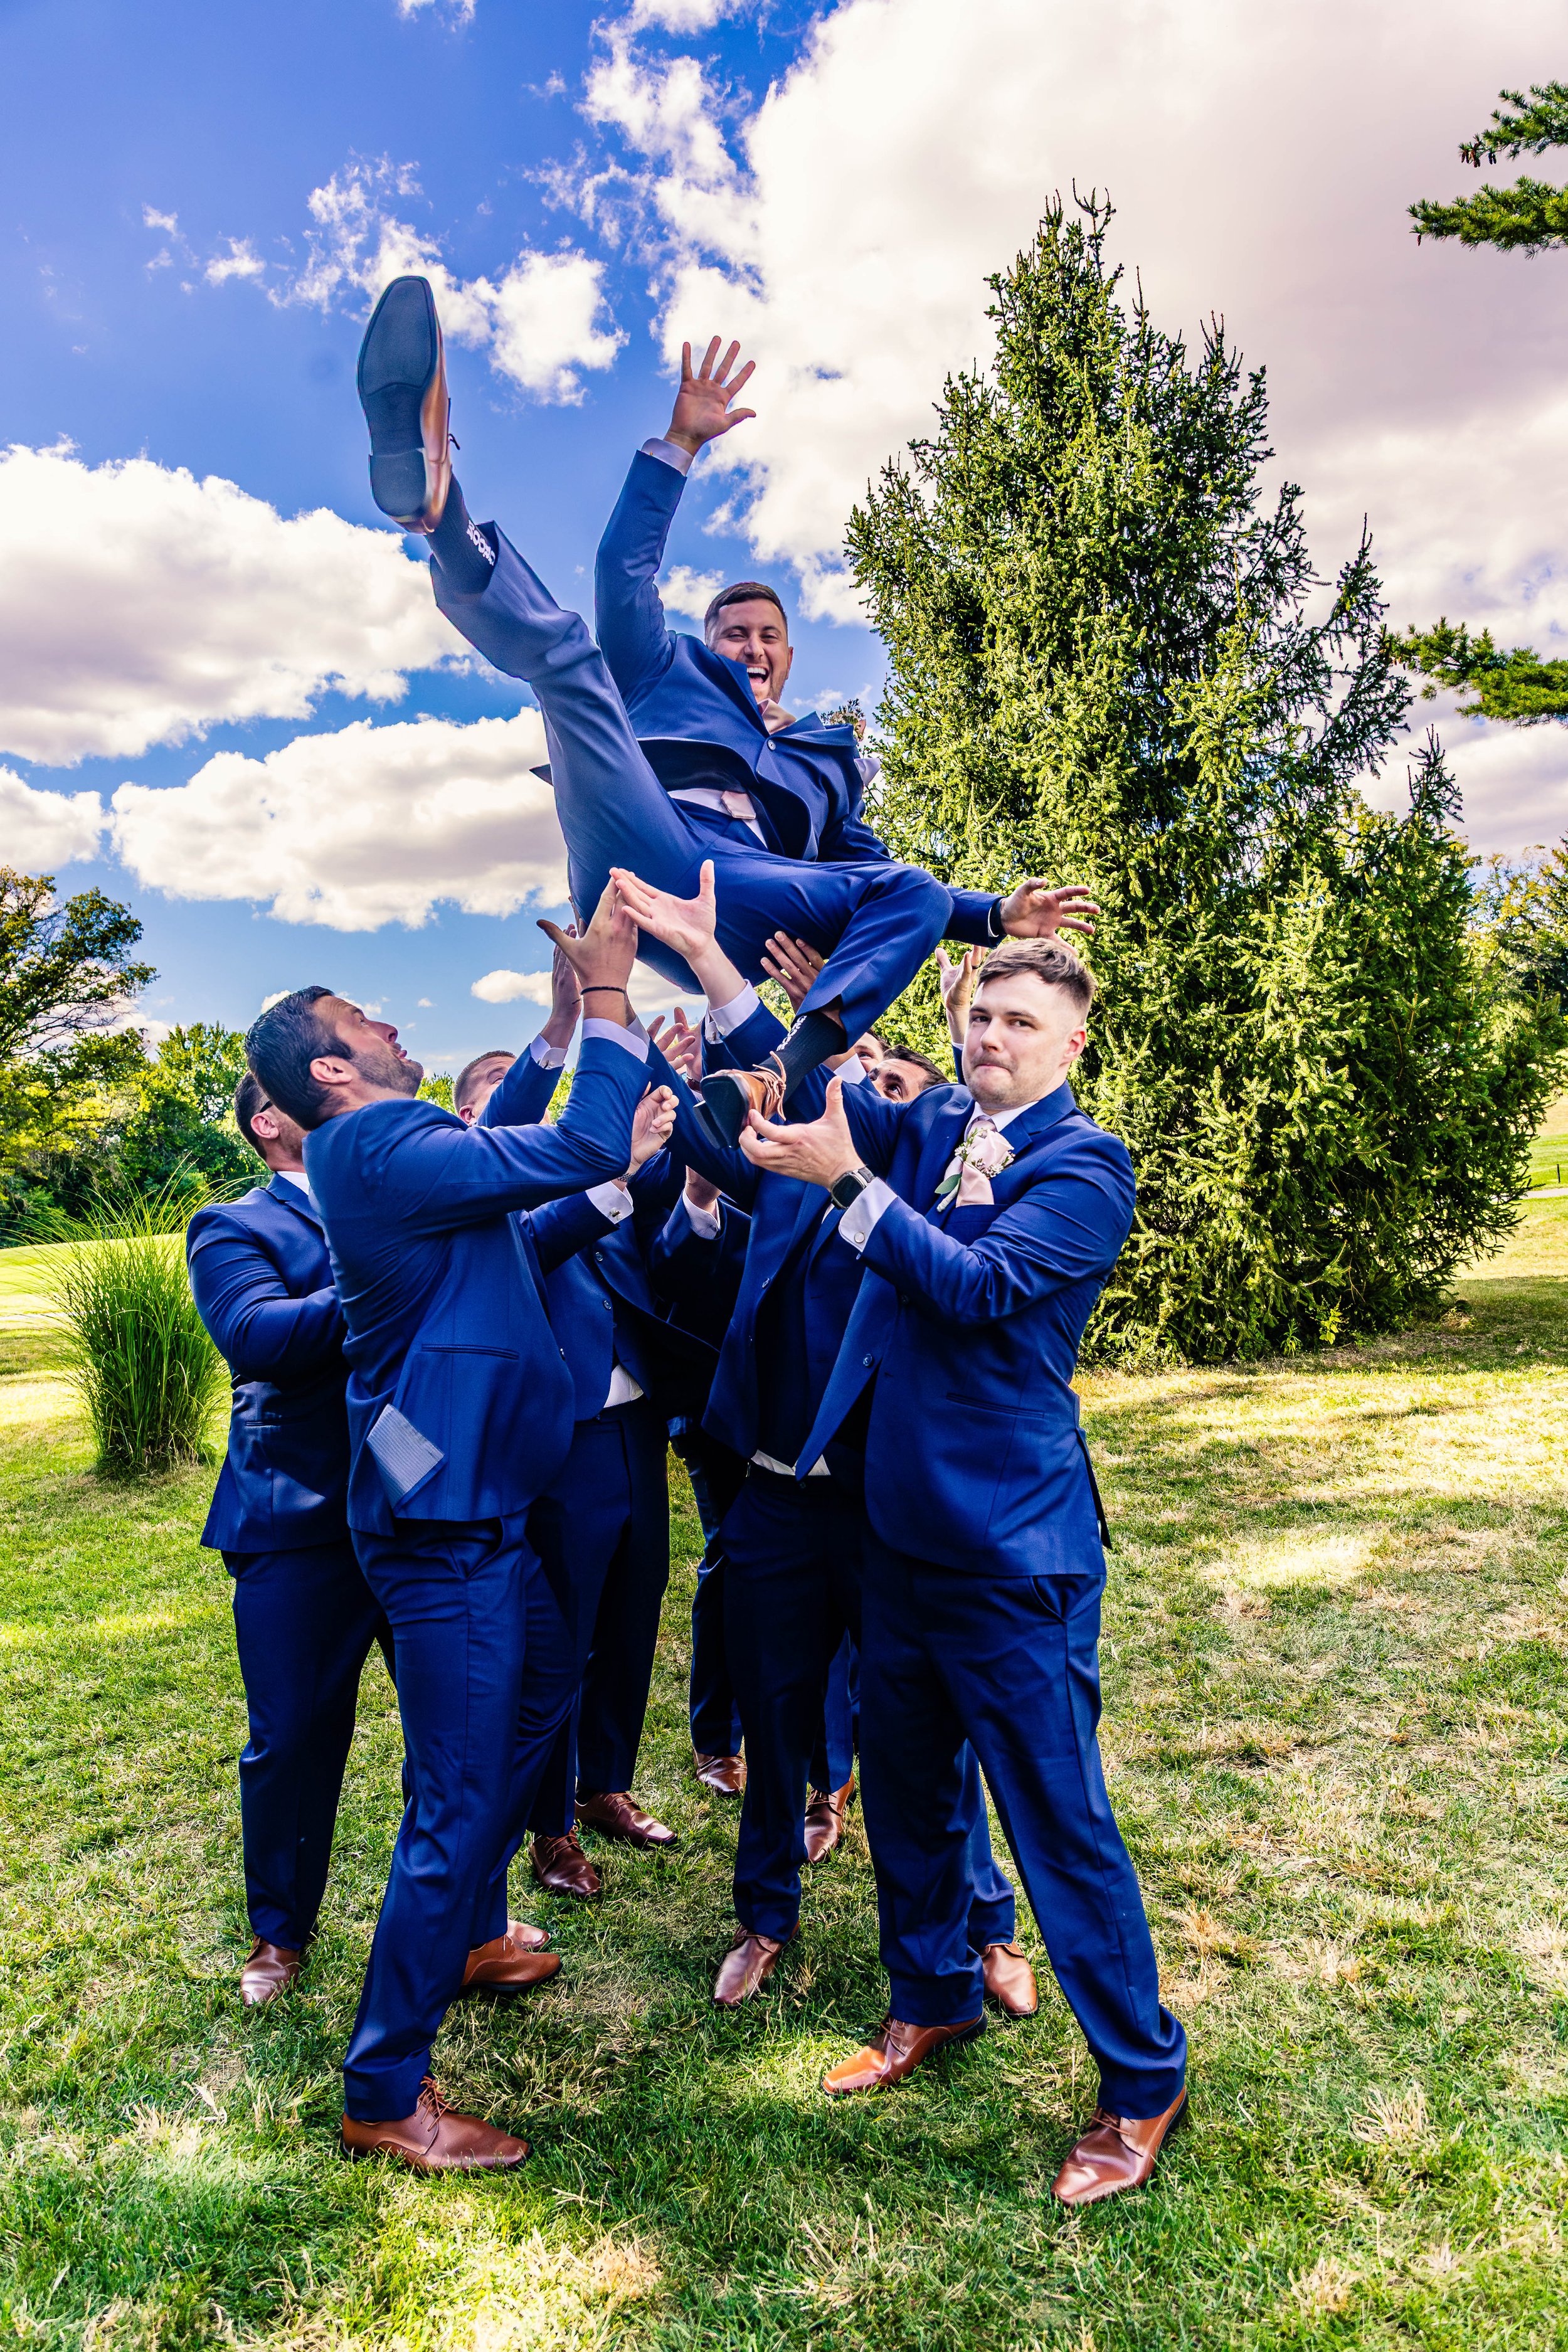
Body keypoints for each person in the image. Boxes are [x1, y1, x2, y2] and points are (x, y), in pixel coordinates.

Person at [353, 276, 1094, 1142]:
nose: (750, 646)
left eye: (766, 634)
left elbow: (883, 888)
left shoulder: (830, 760)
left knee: (915, 887)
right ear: (708, 644)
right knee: (571, 663)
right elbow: (621, 571)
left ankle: (780, 1067)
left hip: (741, 896)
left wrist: (996, 916)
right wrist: (679, 444)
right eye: (733, 632)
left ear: (788, 652)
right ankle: (440, 510)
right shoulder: (665, 669)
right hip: (644, 843)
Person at [737, 937, 1188, 2206]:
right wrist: (773, 983)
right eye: (980, 1014)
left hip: (1007, 1554)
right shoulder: (936, 1122)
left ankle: (1142, 2080)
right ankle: (928, 2000)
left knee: (1056, 1825)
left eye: (1021, 1022)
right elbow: (832, 1078)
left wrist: (848, 1191)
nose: (991, 1036)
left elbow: (979, 1289)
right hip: (894, 1537)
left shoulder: (1085, 1167)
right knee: (915, 1796)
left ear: (1070, 1045)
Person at [244, 891, 654, 2175]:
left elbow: (522, 1225)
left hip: (479, 1511)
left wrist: (603, 1168)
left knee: (539, 1694)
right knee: (458, 1796)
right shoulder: (375, 1144)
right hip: (445, 1531)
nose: (388, 1023)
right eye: (363, 1017)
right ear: (329, 1066)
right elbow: (571, 1144)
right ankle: (384, 2089)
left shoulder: (398, 1167)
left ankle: (474, 1926)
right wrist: (605, 1005)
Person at [625, 872, 1036, 2021]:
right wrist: (712, 961)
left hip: (882, 1506)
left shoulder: (926, 1180)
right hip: (769, 1498)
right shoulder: (793, 1177)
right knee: (772, 1706)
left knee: (930, 1732)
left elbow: (969, 1110)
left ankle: (988, 1920)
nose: (871, 1088)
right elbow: (774, 1062)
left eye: (895, 1082)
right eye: (865, 1076)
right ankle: (763, 1916)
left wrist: (967, 1021)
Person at [455, 1042, 693, 1894]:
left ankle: (606, 1786)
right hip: (562, 1440)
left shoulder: (598, 1180)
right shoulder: (483, 1206)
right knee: (568, 1631)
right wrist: (614, 1169)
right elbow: (545, 1244)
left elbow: (661, 1196)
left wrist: (671, 1088)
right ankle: (549, 1826)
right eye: (502, 1105)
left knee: (633, 1613)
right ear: (470, 1124)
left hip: (637, 1427)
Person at [186, 1076, 395, 2007]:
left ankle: (474, 1918)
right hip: (297, 1524)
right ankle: (280, 1931)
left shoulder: (396, 1198)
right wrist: (388, 1272)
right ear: (269, 1122)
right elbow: (258, 1335)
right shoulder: (232, 1225)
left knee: (460, 1723)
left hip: (413, 1504)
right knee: (293, 1737)